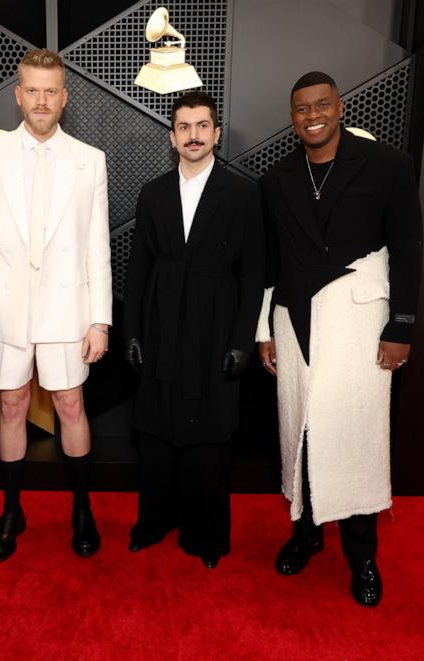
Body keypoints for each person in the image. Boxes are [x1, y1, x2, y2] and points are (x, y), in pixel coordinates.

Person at [256, 71, 423, 606]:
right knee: (299, 430)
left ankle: (362, 555)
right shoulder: (276, 178)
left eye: (321, 104)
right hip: (296, 318)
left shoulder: (387, 166)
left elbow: (409, 249)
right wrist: (264, 329)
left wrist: (403, 325)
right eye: (301, 108)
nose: (312, 115)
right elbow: (268, 262)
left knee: (354, 435)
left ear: (340, 106)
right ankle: (305, 534)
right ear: (292, 118)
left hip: (359, 321)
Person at [0, 49, 111, 561]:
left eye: (52, 91)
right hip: (2, 310)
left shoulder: (90, 159)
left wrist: (100, 319)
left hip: (68, 310)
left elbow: (97, 245)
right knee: (12, 406)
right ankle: (11, 510)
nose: (42, 101)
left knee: (71, 405)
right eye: (33, 90)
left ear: (64, 98)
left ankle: (82, 507)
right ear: (18, 94)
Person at [123, 91, 265, 569]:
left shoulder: (244, 194)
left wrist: (243, 340)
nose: (194, 135)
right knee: (157, 429)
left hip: (216, 328)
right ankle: (154, 521)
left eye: (202, 126)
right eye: (184, 127)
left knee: (209, 434)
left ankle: (205, 535)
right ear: (172, 136)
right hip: (162, 324)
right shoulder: (153, 194)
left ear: (217, 133)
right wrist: (133, 332)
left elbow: (253, 275)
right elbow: (138, 268)